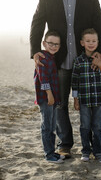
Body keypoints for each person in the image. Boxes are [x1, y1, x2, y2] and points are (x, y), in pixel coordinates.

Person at [30, 0, 101, 157]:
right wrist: (35, 50)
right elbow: (37, 23)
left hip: (86, 62)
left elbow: (100, 23)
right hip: (60, 62)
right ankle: (65, 144)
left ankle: (97, 145)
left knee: (90, 104)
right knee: (60, 104)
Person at [72, 28, 101, 165]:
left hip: (99, 99)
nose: (91, 43)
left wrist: (100, 65)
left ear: (98, 42)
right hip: (84, 101)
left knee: (97, 126)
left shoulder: (100, 58)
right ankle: (86, 151)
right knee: (85, 126)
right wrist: (75, 99)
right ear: (82, 43)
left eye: (93, 41)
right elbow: (74, 82)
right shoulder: (78, 61)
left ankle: (98, 152)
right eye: (88, 41)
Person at [34, 30, 66, 164]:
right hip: (46, 97)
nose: (53, 46)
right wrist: (49, 95)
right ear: (44, 43)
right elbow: (43, 78)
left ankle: (53, 152)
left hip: (52, 97)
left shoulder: (51, 58)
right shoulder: (42, 57)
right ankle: (48, 155)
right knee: (47, 126)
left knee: (52, 126)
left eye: (56, 44)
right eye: (50, 43)